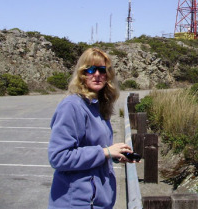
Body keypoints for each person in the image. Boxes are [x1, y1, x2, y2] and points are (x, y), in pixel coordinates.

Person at [48, 48, 135, 209]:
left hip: (98, 201)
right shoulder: (72, 106)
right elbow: (58, 157)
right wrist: (105, 152)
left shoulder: (98, 107)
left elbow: (94, 148)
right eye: (90, 69)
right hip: (77, 202)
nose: (96, 74)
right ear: (82, 73)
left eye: (102, 70)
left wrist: (114, 154)